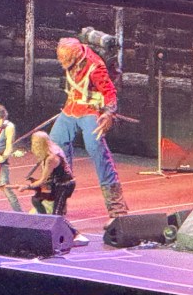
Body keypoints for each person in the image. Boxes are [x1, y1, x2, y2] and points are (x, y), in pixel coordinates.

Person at [50, 37, 128, 220]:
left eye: (64, 58)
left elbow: (110, 92)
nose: (61, 62)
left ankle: (117, 209)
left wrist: (109, 113)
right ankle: (59, 201)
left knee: (96, 149)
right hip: (70, 109)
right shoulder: (71, 57)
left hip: (90, 111)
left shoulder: (95, 66)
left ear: (76, 54)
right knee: (55, 147)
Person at [20, 131, 87, 246]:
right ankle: (45, 221)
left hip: (64, 185)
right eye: (33, 142)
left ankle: (77, 234)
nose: (34, 145)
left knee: (57, 215)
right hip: (56, 183)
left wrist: (28, 186)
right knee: (37, 199)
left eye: (37, 143)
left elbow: (43, 179)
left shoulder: (51, 158)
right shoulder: (47, 152)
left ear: (43, 143)